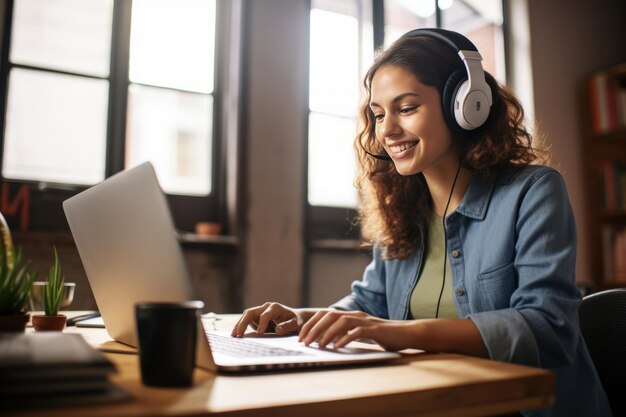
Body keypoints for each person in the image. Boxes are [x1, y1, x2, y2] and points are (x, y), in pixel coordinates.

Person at [231, 28, 612, 416]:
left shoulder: (533, 191)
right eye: (378, 115)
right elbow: (369, 304)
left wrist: (396, 332)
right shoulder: (403, 209)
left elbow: (548, 330)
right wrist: (301, 318)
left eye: (406, 108)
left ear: (465, 105)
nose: (387, 130)